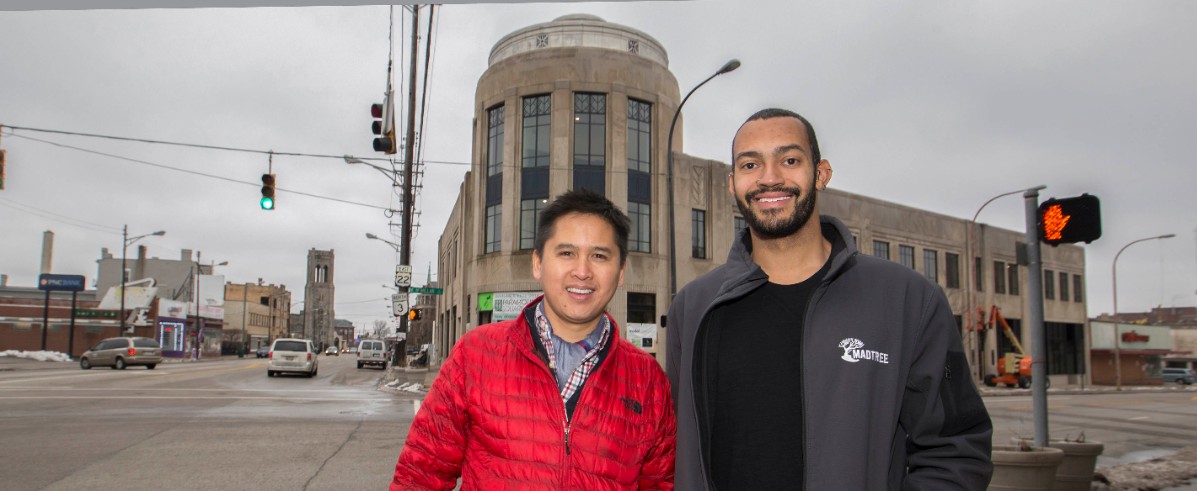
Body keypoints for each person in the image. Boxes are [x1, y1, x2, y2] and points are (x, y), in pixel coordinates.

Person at [666, 108, 993, 490]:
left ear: (821, 174)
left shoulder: (908, 300)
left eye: (789, 160)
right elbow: (672, 451)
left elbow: (956, 449)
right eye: (751, 164)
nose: (770, 178)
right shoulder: (693, 307)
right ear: (732, 182)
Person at [392, 190, 676, 490]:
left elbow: (662, 484)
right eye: (566, 253)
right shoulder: (475, 355)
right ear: (538, 263)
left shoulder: (649, 381)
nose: (582, 271)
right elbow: (418, 476)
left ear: (620, 272)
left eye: (599, 256)